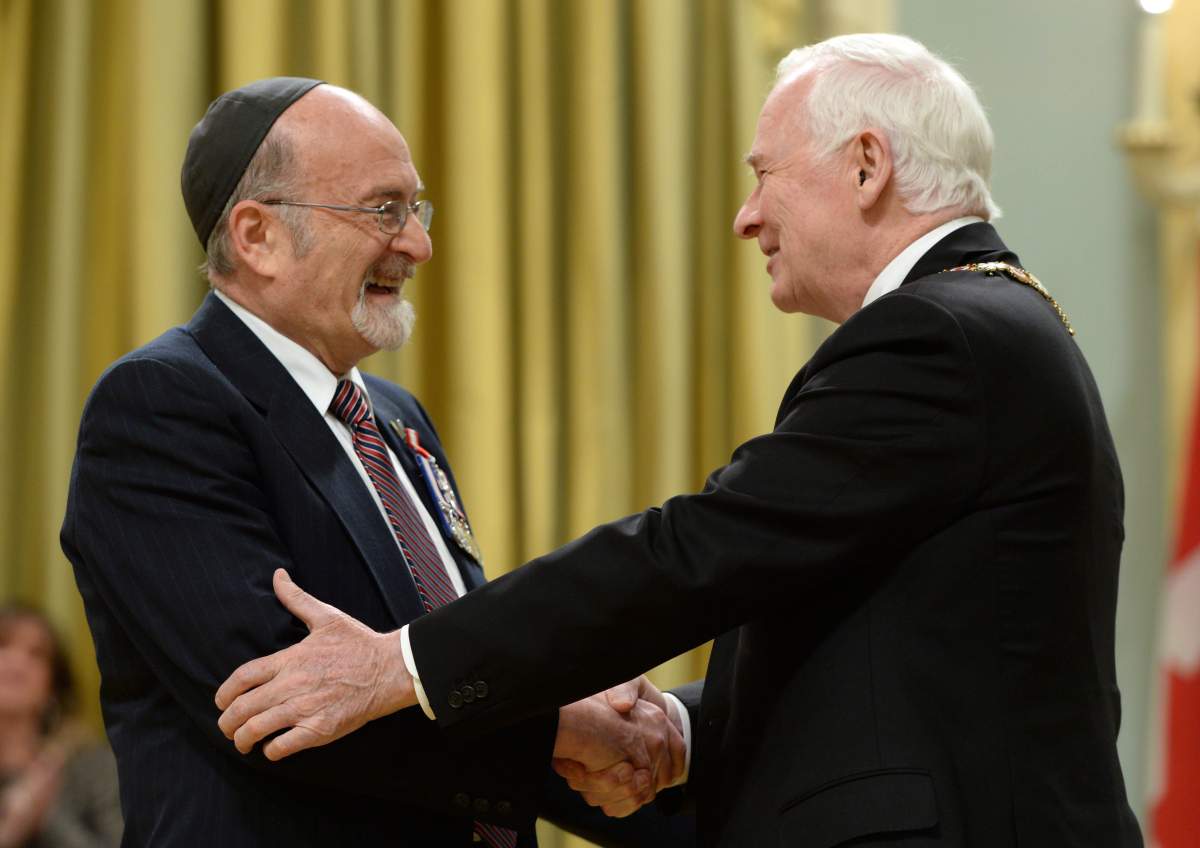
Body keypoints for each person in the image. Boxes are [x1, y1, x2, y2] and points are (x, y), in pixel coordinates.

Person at [216, 34, 1147, 847]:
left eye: (763, 174)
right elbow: (865, 639)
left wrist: (405, 662)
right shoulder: (985, 326)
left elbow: (697, 551)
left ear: (867, 165)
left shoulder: (936, 338)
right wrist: (675, 730)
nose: (747, 217)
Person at [60, 77, 689, 847]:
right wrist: (566, 730)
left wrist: (621, 752)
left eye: (415, 209)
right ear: (257, 236)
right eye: (382, 210)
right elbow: (281, 703)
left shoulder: (397, 418)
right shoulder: (162, 405)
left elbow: (448, 665)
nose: (418, 243)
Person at [0, 605, 122, 848]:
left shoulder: (93, 769)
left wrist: (46, 816)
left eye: (37, 654)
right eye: (2, 645)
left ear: (53, 689)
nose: (17, 662)